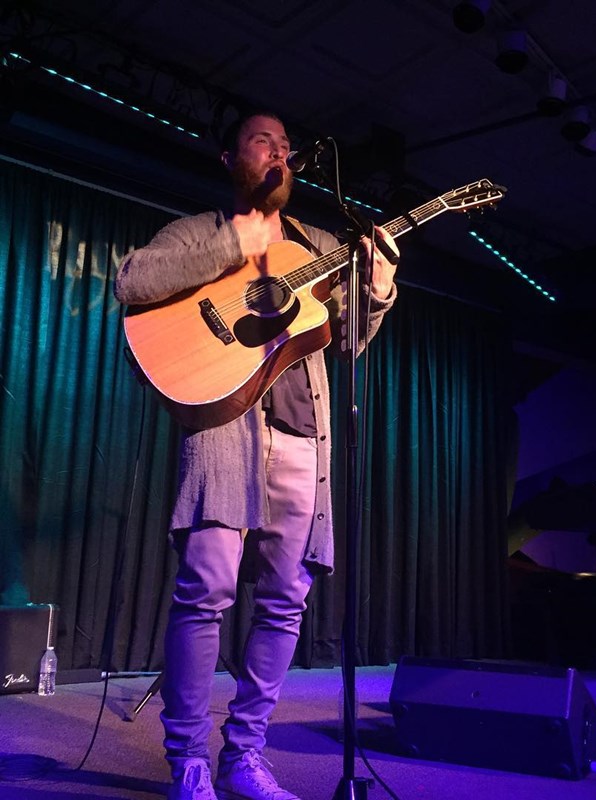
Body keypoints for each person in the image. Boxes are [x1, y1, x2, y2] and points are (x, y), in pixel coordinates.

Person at [114, 110, 398, 800]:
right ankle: (187, 759)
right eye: (262, 141)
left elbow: (347, 339)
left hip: (306, 435)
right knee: (206, 588)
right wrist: (232, 245)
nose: (279, 151)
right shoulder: (201, 229)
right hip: (225, 430)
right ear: (230, 158)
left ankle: (245, 754)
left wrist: (380, 288)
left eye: (285, 144)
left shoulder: (320, 242)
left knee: (284, 602)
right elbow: (133, 280)